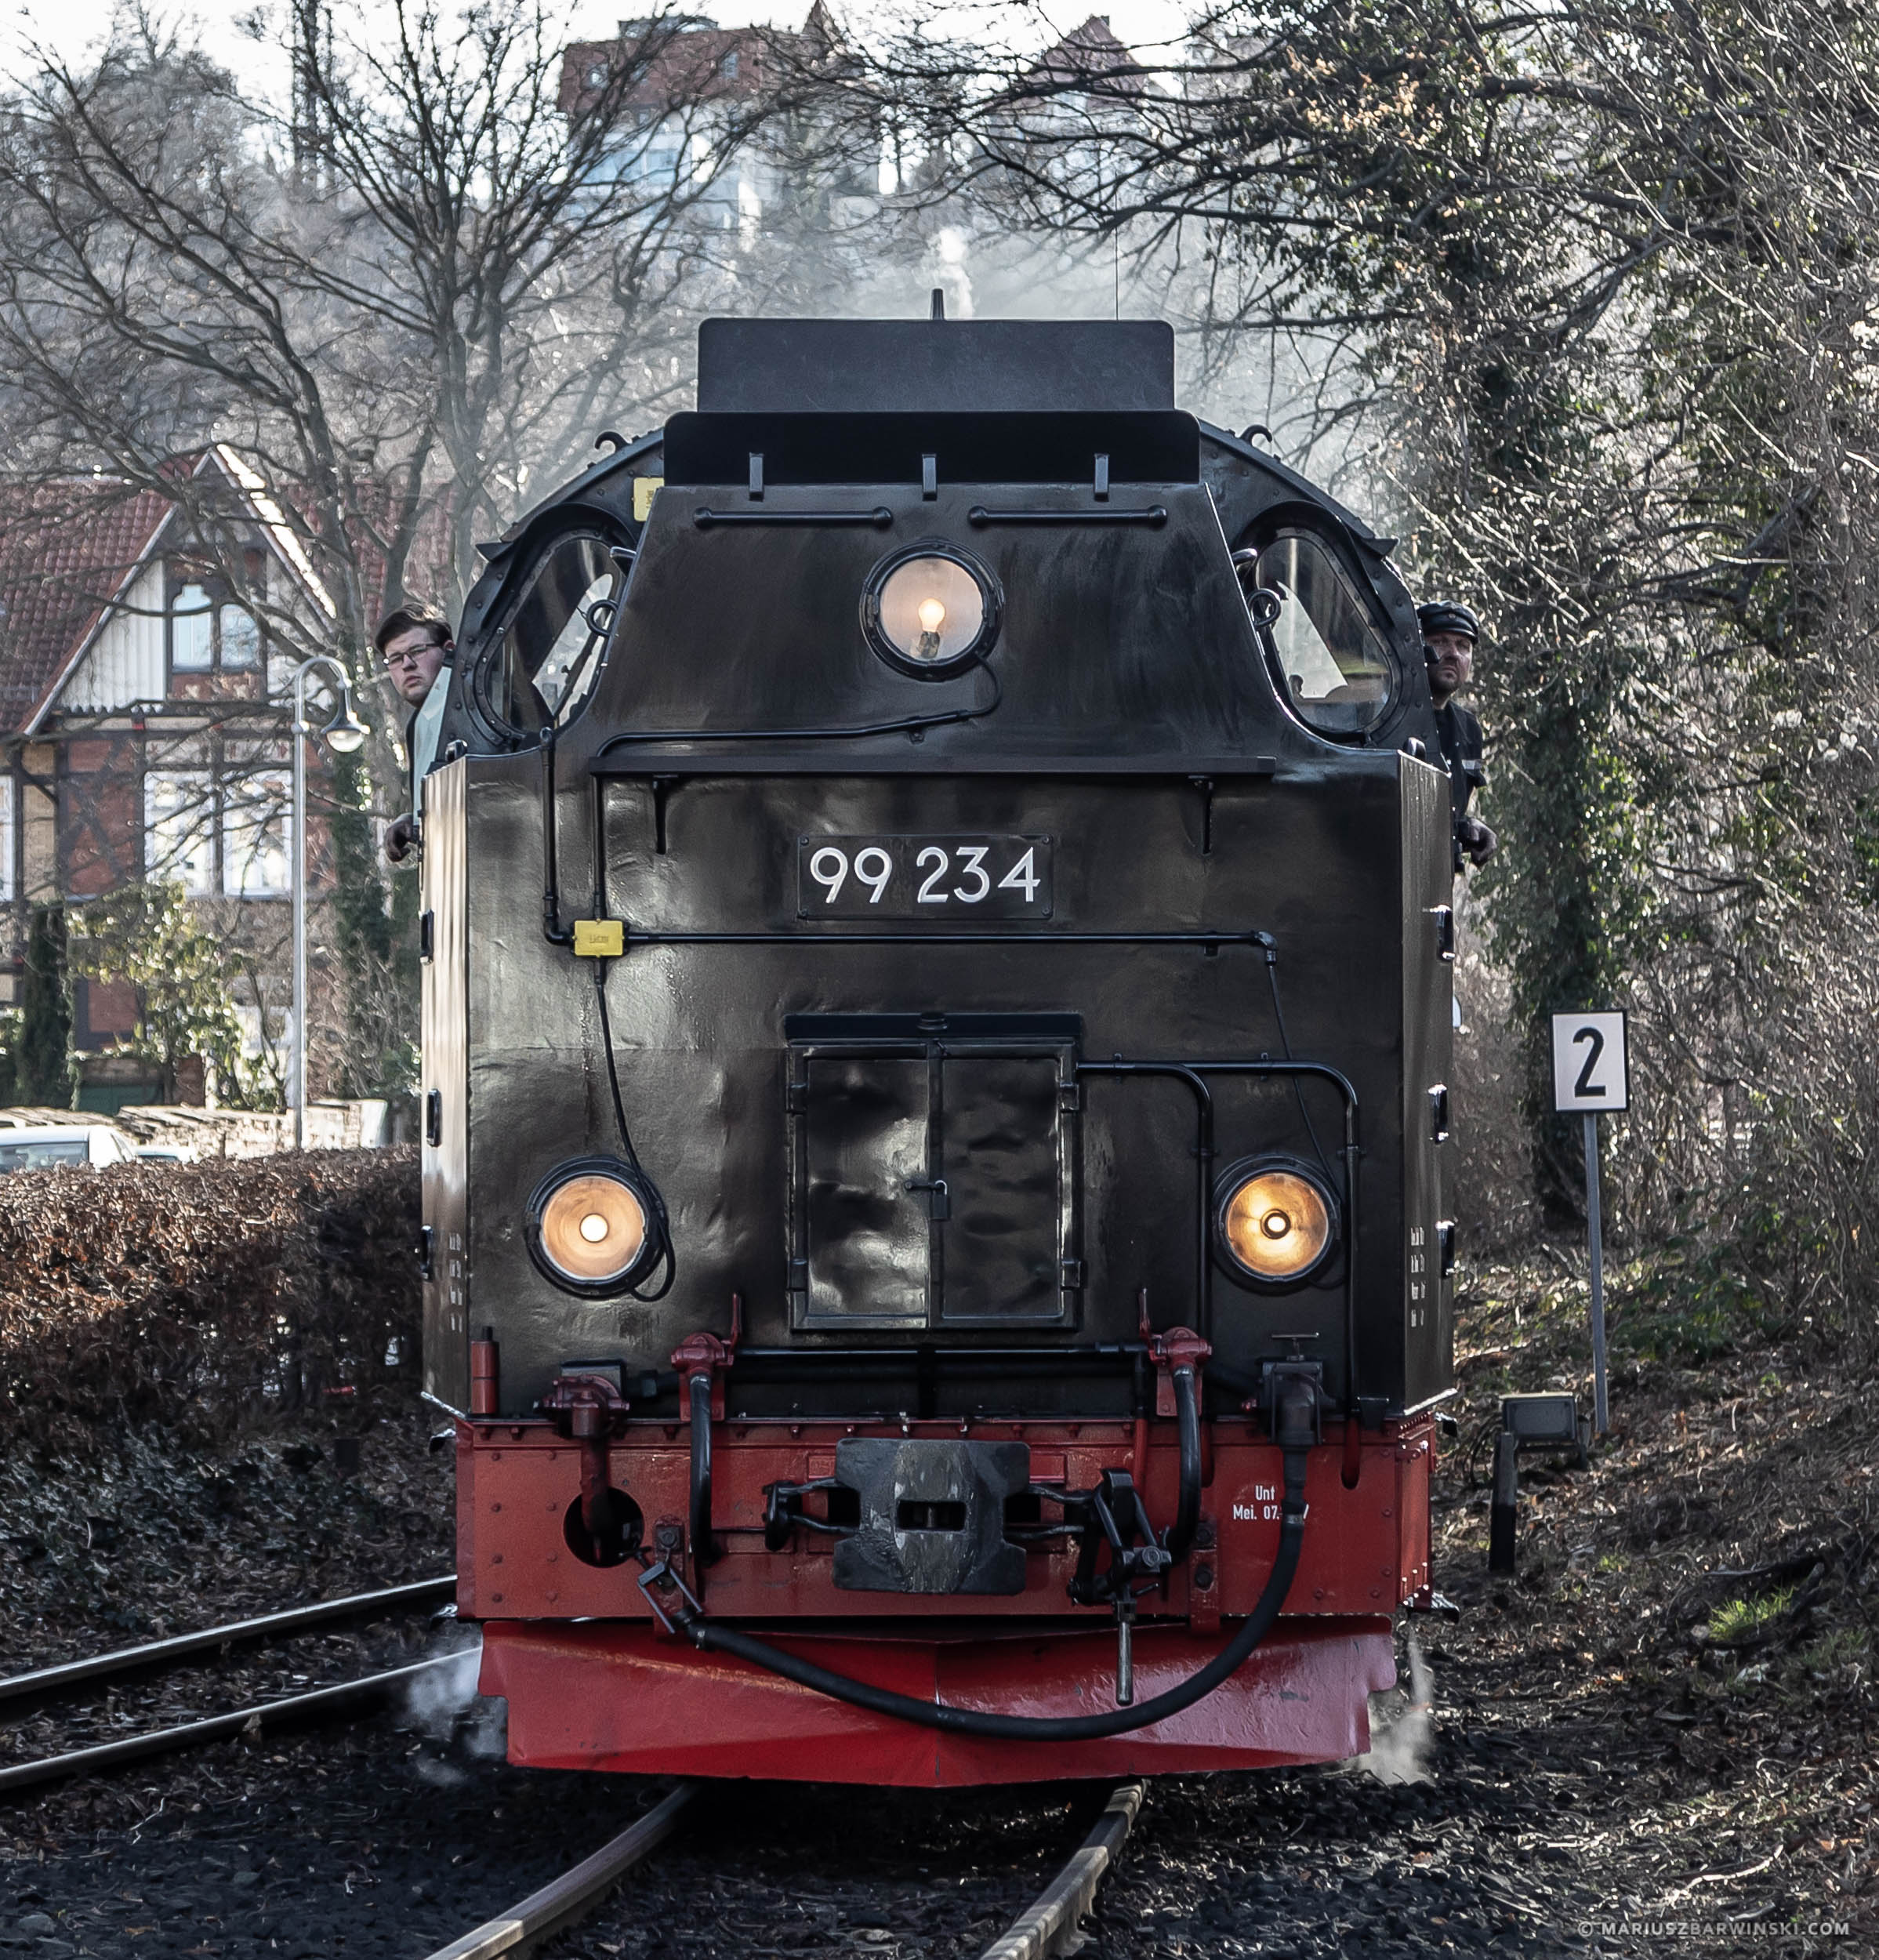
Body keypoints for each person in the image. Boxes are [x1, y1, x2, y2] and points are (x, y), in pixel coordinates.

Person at [1418, 600, 1497, 871]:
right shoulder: (1388, 716)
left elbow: (1444, 813)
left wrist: (1466, 829)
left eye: (1463, 646)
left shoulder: (1469, 729)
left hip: (1438, 882)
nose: (1453, 654)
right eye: (1440, 642)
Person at [375, 601, 454, 866]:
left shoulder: (468, 708)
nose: (407, 665)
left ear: (448, 651)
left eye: (417, 651)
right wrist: (411, 820)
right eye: (395, 659)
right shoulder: (419, 724)